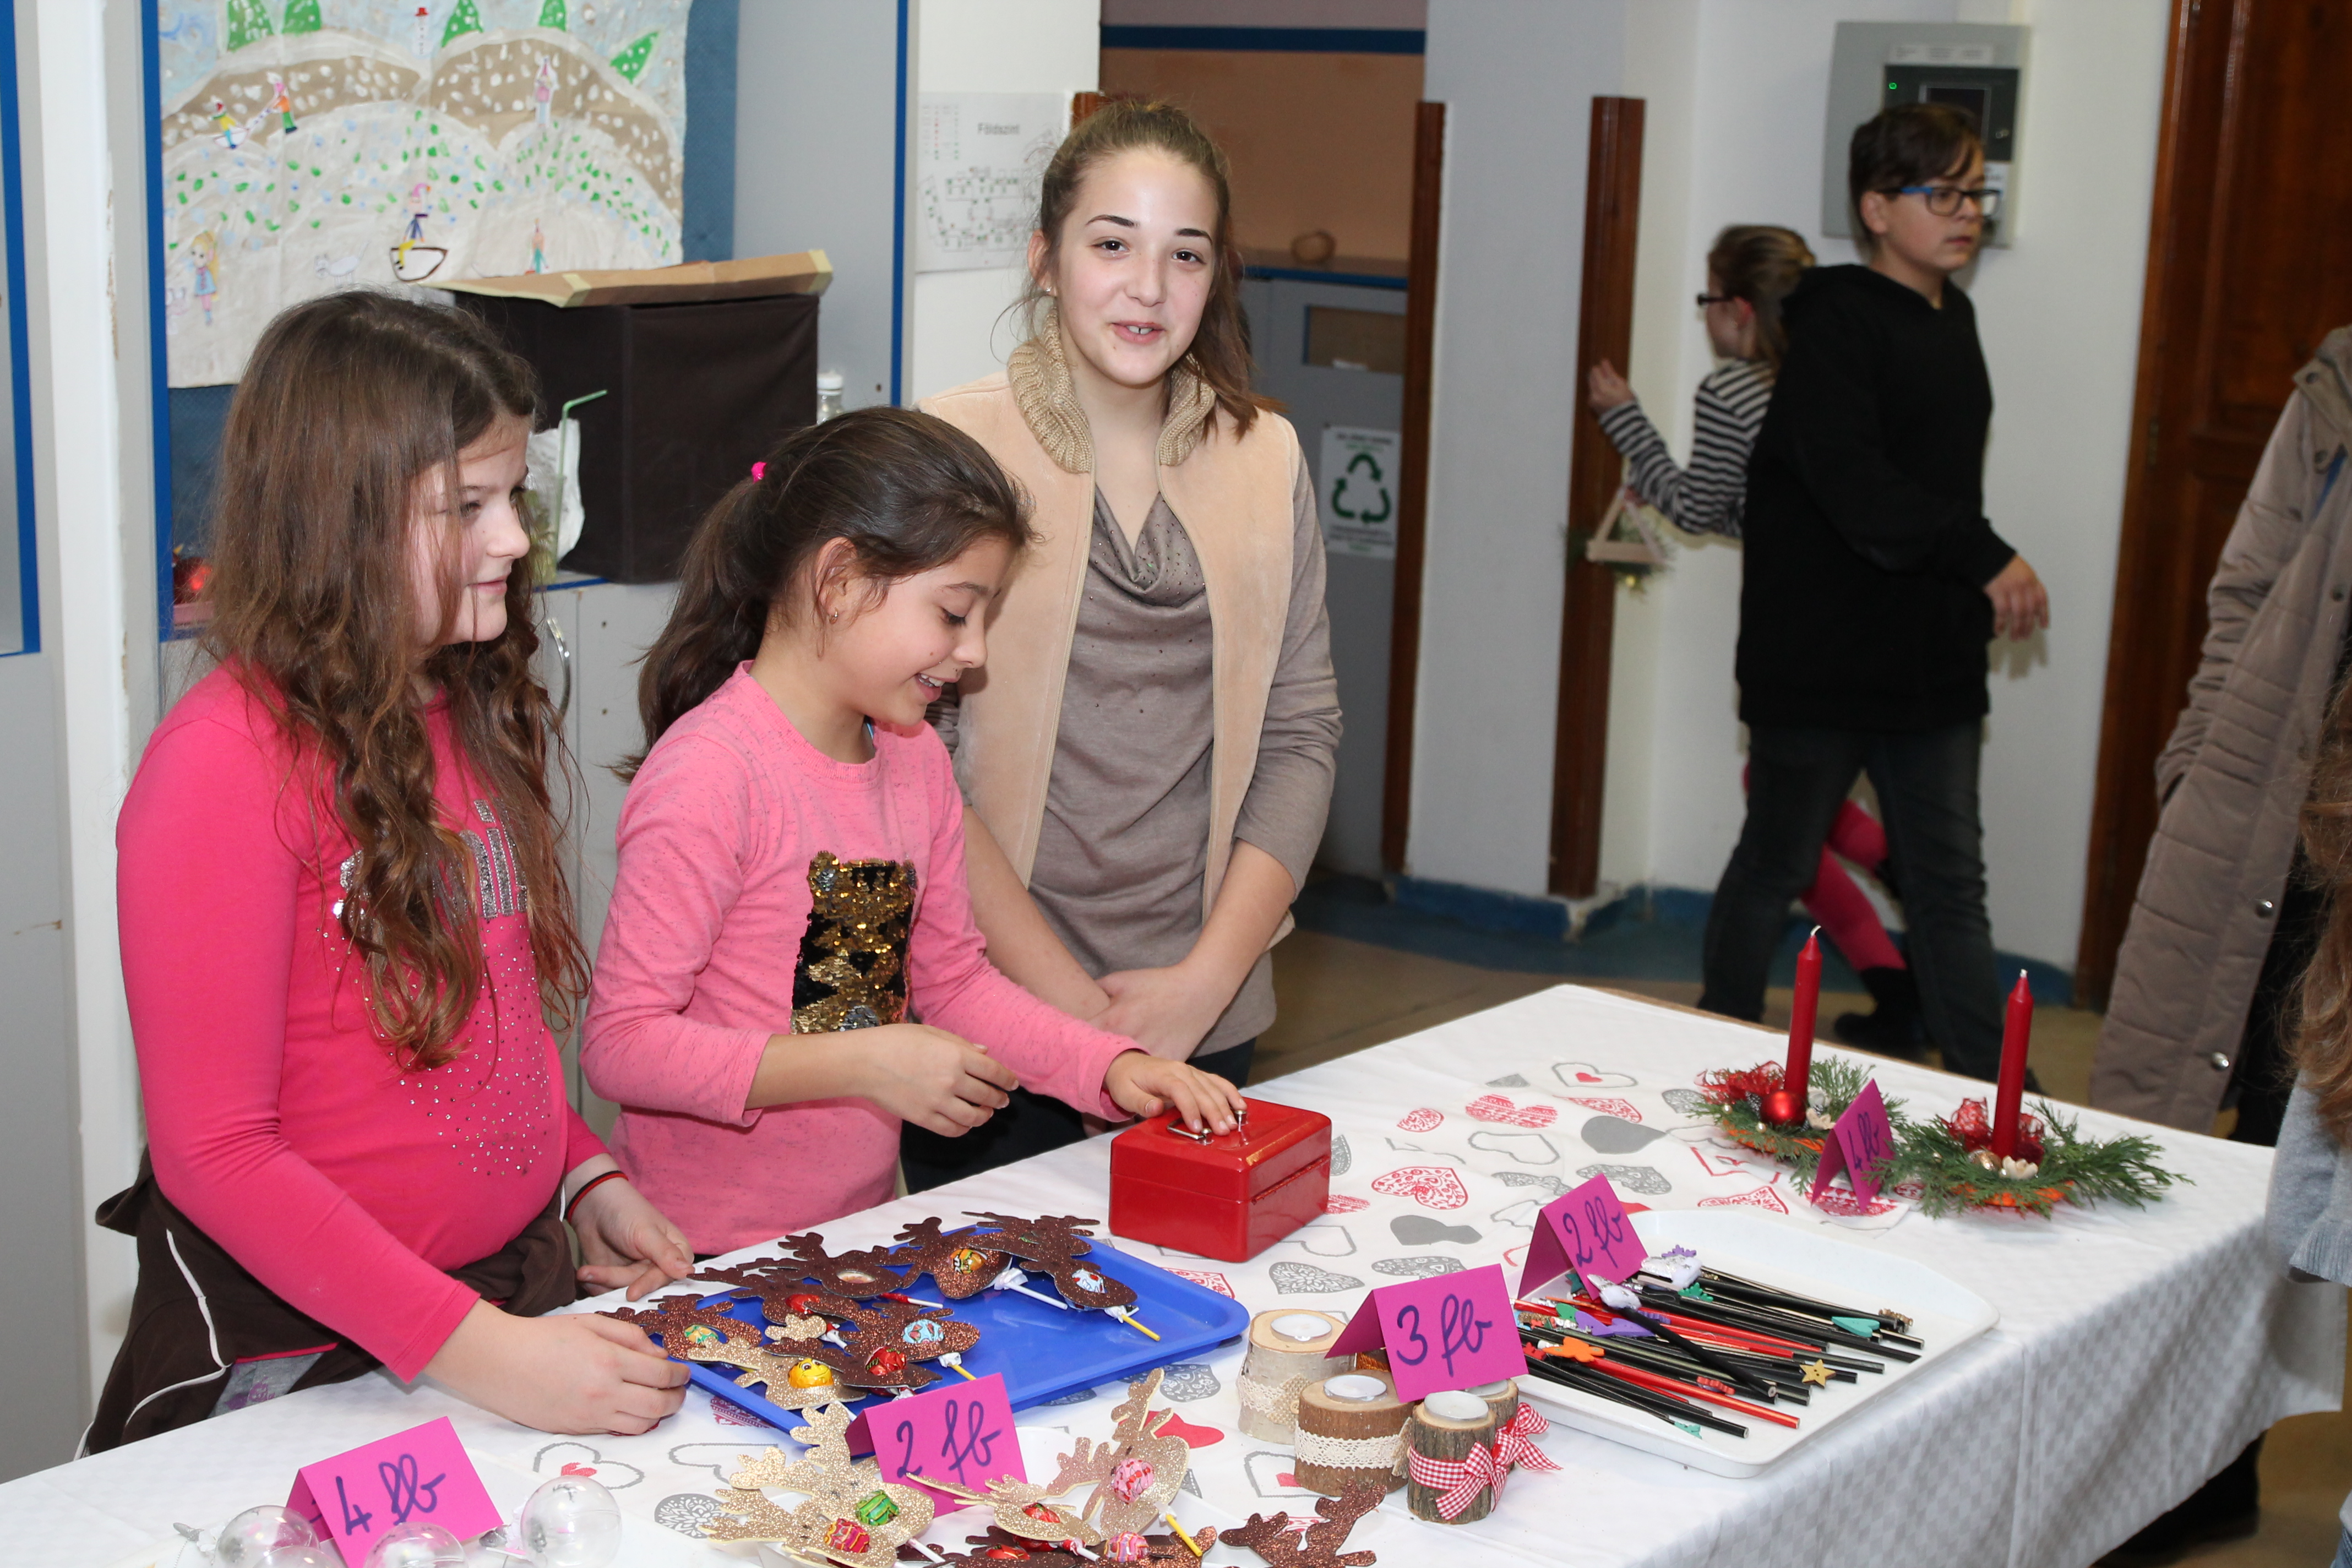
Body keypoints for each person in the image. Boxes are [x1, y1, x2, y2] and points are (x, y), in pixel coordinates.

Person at [91, 292, 696, 1453]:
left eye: (514, 498)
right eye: (465, 507)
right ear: (339, 519)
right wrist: (487, 1353)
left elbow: (489, 1019)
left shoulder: (457, 704)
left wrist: (581, 1173)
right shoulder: (223, 763)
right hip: (310, 1351)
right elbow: (216, 1152)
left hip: (493, 1302)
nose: (512, 541)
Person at [579, 407, 1244, 1257]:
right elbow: (623, 1045)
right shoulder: (712, 774)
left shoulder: (914, 757)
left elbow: (956, 983)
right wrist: (865, 1062)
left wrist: (1112, 1066)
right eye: (955, 614)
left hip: (854, 1232)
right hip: (700, 1249)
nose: (974, 653)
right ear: (839, 581)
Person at [902, 100, 1342, 1189]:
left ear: (1215, 275)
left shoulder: (1269, 457)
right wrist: (1081, 1020)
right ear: (1044, 260)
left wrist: (1202, 984)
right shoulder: (948, 446)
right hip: (993, 1011)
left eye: (1184, 254)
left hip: (1199, 1010)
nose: (1148, 286)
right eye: (1112, 244)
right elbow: (907, 761)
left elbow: (1301, 735)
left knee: (1186, 1287)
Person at [1696, 103, 2048, 1082]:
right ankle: (1711, 1050)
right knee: (1776, 861)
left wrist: (1967, 580)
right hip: (1821, 658)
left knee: (1949, 887)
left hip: (1928, 662)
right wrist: (1987, 557)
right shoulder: (1836, 323)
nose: (1967, 212)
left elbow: (1938, 487)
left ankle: (1996, 1098)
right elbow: (1858, 489)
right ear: (1877, 209)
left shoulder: (1954, 316)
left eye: (1977, 192)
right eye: (1944, 193)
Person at [2090, 326, 2351, 1565]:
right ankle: (2189, 1464)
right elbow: (2245, 589)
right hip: (2273, 816)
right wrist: (2195, 767)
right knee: (2206, 1140)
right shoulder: (2337, 381)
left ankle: (2225, 1451)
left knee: (2314, 1167)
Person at [1589, 226, 1920, 1053]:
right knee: (1805, 820)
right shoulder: (1846, 375)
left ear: (1739, 309)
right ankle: (1900, 979)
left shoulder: (1734, 387)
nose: (1705, 318)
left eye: (1708, 300)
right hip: (1882, 632)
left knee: (1772, 853)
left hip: (1798, 637)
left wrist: (1625, 421)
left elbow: (1697, 508)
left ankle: (1726, 1022)